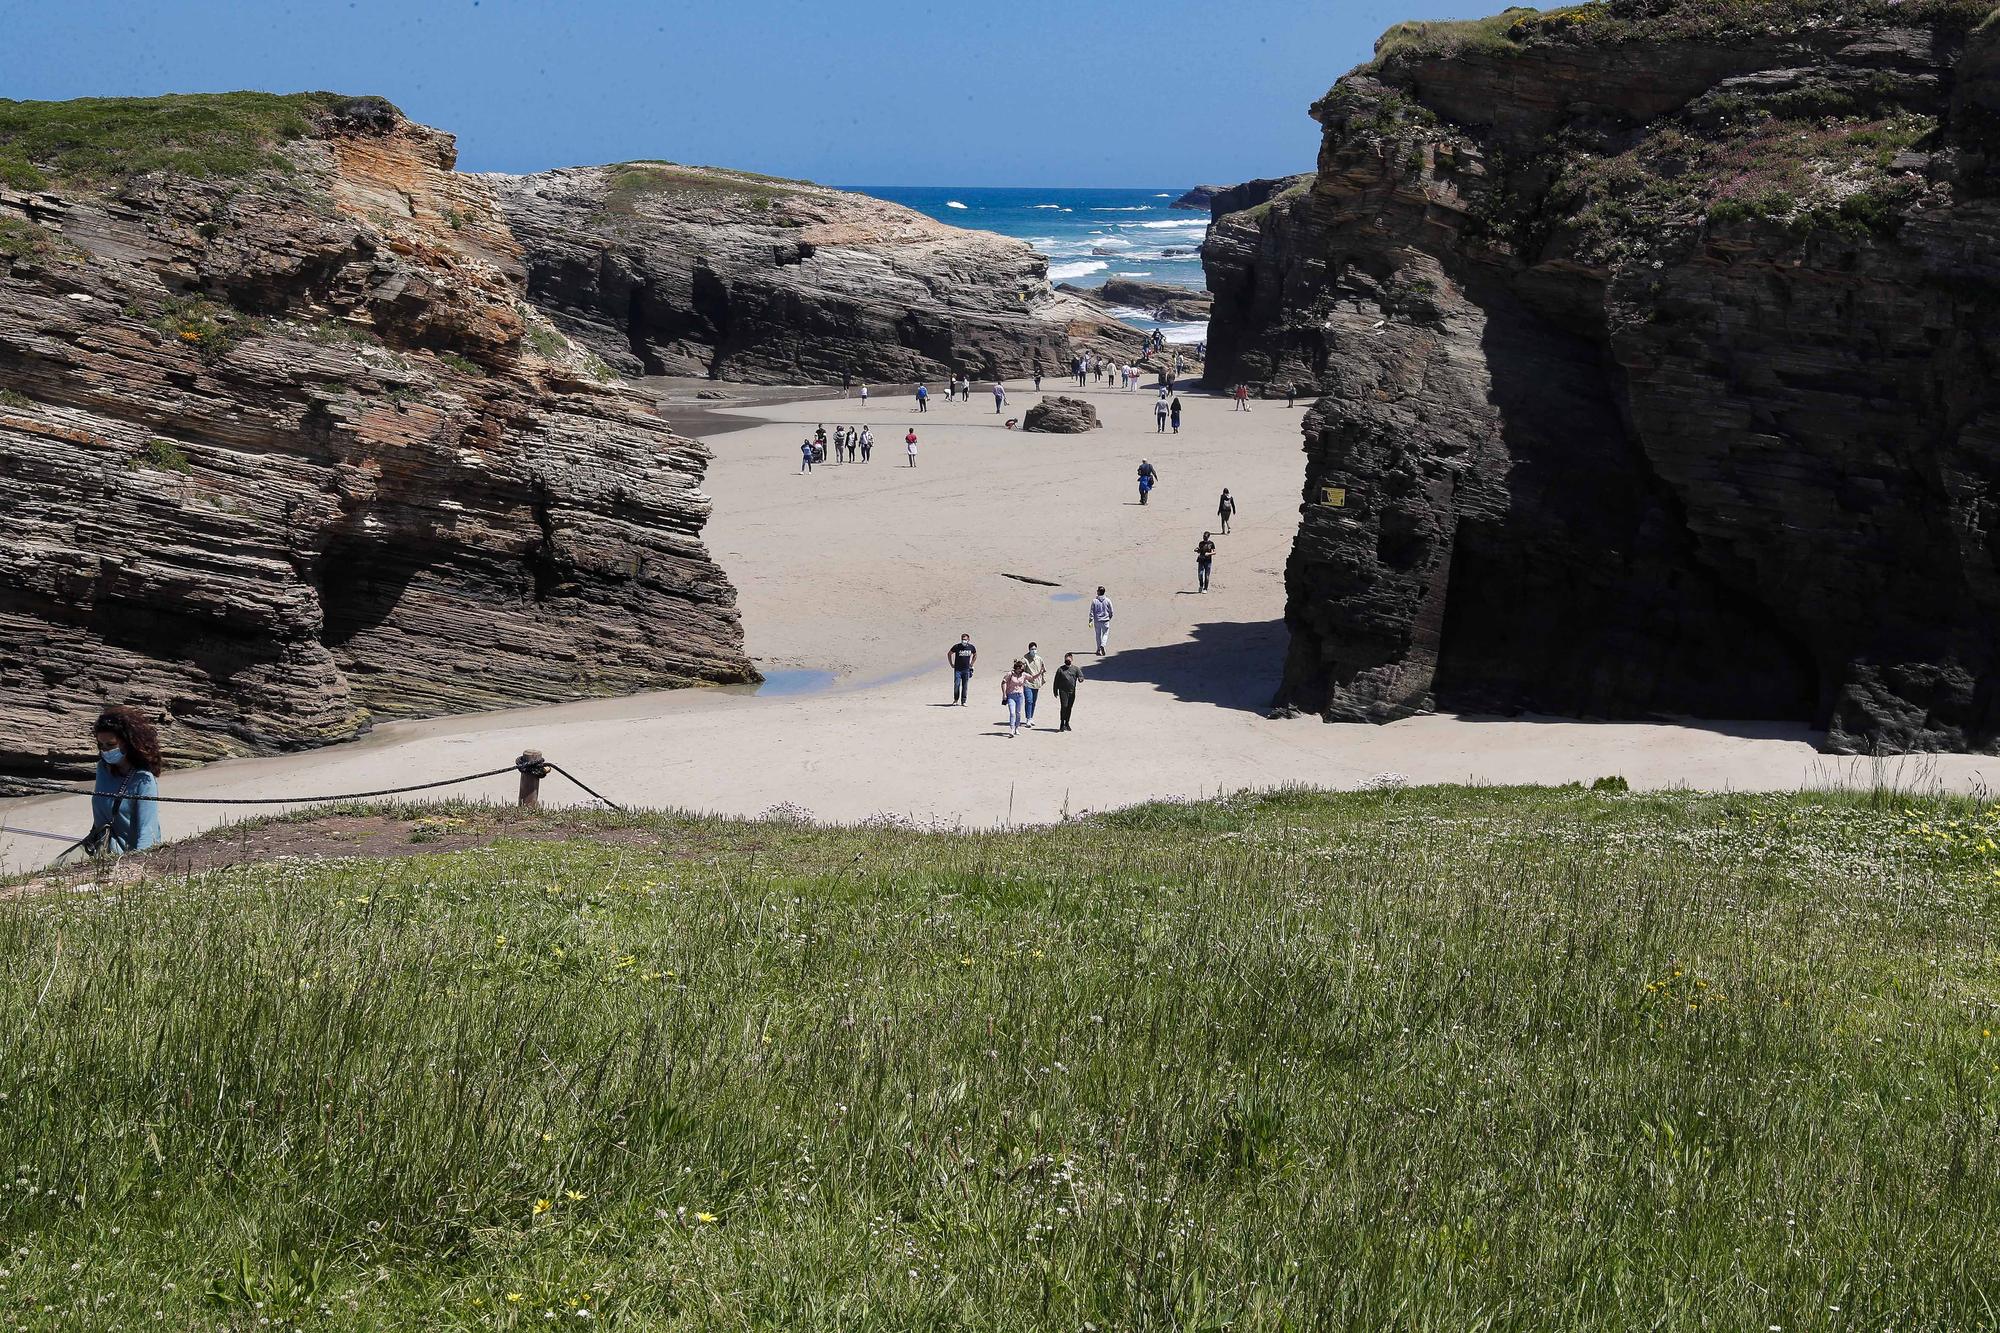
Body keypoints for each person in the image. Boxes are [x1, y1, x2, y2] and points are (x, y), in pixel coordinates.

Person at [81, 705, 162, 856]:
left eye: (111, 745)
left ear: (127, 742)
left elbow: (147, 829)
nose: (105, 750)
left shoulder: (144, 780)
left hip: (129, 855)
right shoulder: (102, 769)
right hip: (103, 851)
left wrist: (137, 863)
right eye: (101, 745)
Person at [1053, 653, 1082, 731]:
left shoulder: (1076, 669)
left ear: (1072, 660)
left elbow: (1081, 676)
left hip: (1072, 691)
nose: (1067, 661)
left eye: (1069, 659)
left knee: (1069, 707)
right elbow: (1056, 681)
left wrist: (1080, 679)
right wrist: (1055, 690)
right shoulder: (1060, 669)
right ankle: (1062, 723)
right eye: (1066, 659)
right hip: (1063, 691)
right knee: (1064, 706)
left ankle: (1067, 722)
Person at [1001, 659, 1029, 737]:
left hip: (1020, 696)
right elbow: (1003, 682)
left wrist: (1040, 672)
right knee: (1012, 713)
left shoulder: (1023, 674)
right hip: (1011, 695)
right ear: (1017, 668)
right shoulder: (1010, 674)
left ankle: (1017, 727)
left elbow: (1032, 678)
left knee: (1018, 713)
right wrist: (1004, 694)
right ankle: (1012, 729)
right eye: (1021, 668)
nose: (1022, 669)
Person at [947, 633, 977, 705]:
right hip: (958, 669)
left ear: (968, 640)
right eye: (963, 639)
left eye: (965, 639)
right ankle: (955, 700)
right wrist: (951, 664)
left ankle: (963, 701)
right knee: (956, 684)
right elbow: (949, 654)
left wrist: (972, 664)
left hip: (966, 669)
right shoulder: (957, 646)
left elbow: (975, 654)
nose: (964, 641)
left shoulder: (971, 647)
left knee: (965, 685)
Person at [1022, 642, 1046, 726]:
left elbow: (1043, 670)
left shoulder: (1039, 659)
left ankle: (1031, 717)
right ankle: (1028, 718)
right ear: (1029, 649)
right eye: (1032, 649)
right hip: (1027, 683)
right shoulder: (1024, 659)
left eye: (1035, 649)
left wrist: (1042, 680)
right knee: (1029, 701)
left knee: (1034, 702)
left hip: (1036, 683)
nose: (1034, 650)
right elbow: (1021, 670)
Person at [1089, 586, 1114, 656]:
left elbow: (1091, 612)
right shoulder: (1108, 600)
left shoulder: (1094, 601)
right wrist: (1109, 617)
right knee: (1105, 634)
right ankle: (1103, 645)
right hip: (1105, 620)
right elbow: (1111, 611)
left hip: (1097, 621)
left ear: (1099, 592)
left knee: (1098, 635)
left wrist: (1090, 620)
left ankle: (1098, 649)